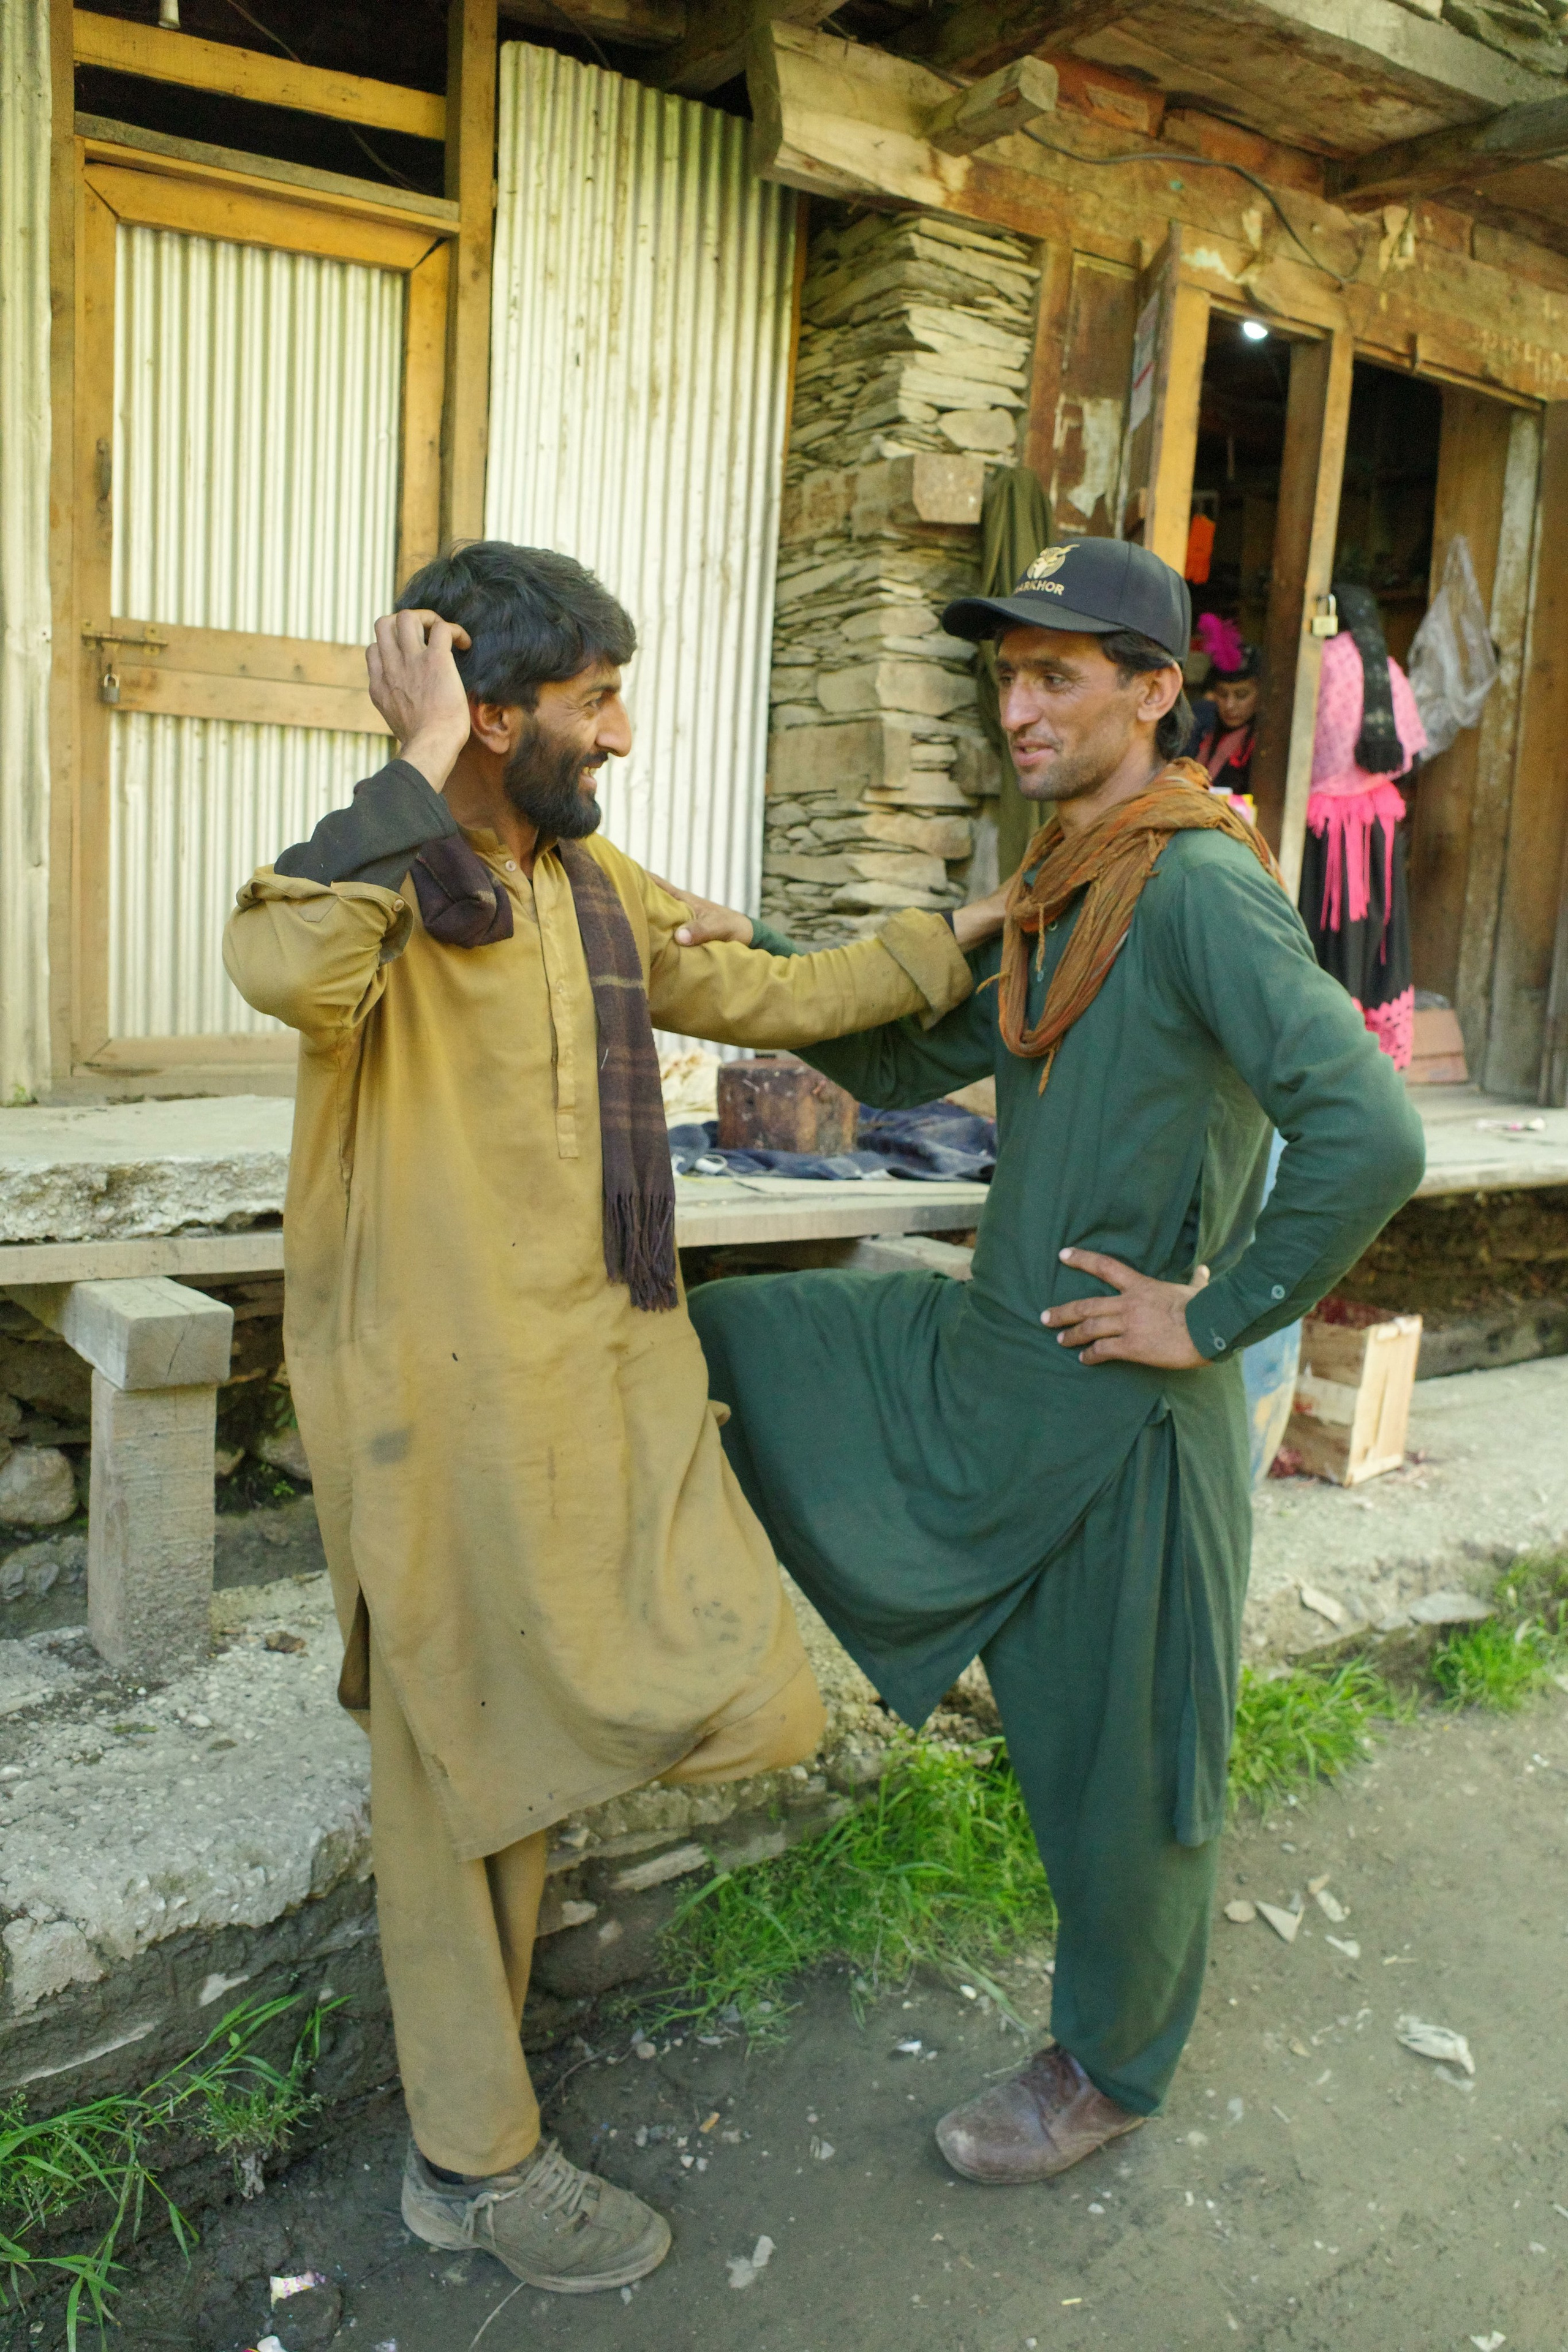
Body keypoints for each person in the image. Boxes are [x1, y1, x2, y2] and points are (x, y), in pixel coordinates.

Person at [221, 541, 1001, 2295]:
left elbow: (776, 998)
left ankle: (482, 2080)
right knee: (454, 1767)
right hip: (433, 1403)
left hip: (593, 1380)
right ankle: (472, 2165)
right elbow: (282, 970)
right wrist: (411, 762)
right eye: (592, 702)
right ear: (485, 712)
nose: (627, 733)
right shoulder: (376, 881)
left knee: (663, 1682)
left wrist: (967, 937)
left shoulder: (584, 882)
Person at [688, 537, 1425, 2187]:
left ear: (1156, 692)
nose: (1017, 707)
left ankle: (1106, 2067)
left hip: (1126, 1414)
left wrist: (1215, 1311)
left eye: (1058, 675)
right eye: (1006, 674)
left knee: (1132, 1764)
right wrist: (737, 972)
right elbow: (914, 1041)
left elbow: (1369, 1126)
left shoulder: (1198, 885)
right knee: (722, 1332)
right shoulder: (1067, 886)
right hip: (994, 1364)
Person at [1298, 581, 1427, 1069]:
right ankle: (1374, 1048)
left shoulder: (1323, 663)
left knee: (1323, 929)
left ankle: (1325, 1041)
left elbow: (1303, 746)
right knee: (1375, 928)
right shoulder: (1388, 668)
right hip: (1378, 825)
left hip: (1324, 827)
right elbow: (1409, 753)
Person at [1185, 612, 1260, 805]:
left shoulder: (1263, 747)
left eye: (1242, 695)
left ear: (1261, 695)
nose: (1229, 705)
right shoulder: (1201, 730)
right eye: (1222, 694)